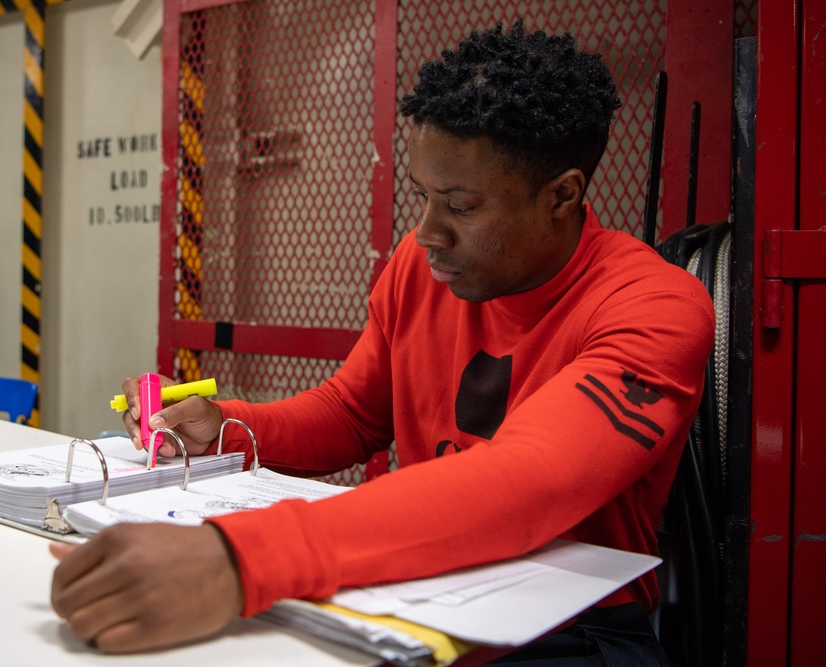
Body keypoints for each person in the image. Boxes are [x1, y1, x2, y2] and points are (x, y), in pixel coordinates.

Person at [50, 20, 715, 664]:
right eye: (422, 195)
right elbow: (351, 414)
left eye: (459, 205)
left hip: (573, 631)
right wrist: (225, 427)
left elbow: (523, 485)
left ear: (563, 196)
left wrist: (235, 558)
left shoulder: (654, 307)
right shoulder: (420, 269)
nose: (426, 233)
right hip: (418, 600)